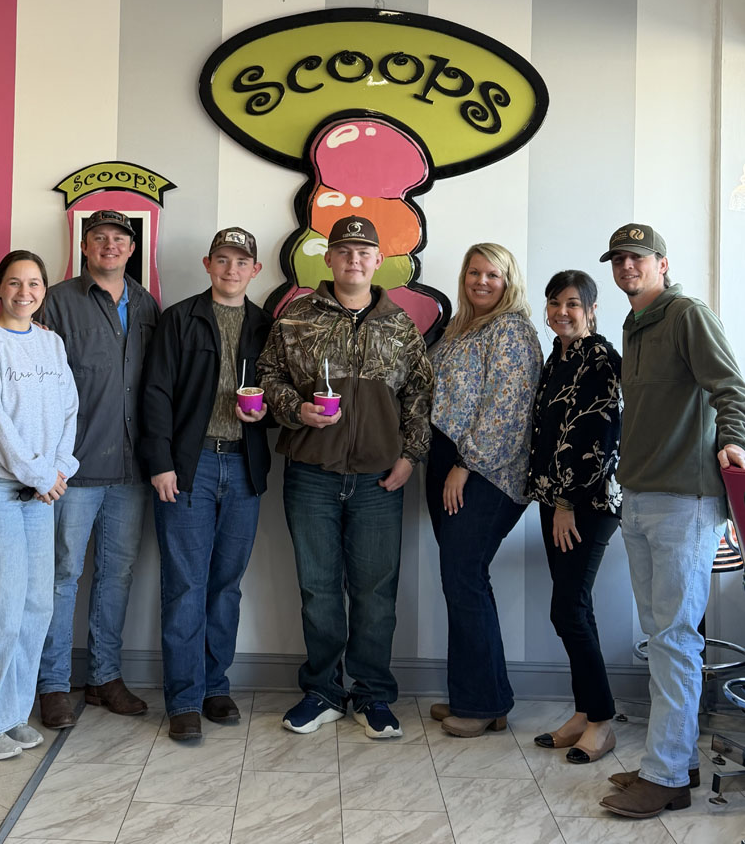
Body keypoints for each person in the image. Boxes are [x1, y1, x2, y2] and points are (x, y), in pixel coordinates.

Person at [258, 216, 432, 740]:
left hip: (379, 479)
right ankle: (323, 692)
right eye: (344, 251)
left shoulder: (400, 325)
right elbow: (267, 375)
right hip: (311, 474)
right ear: (329, 258)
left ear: (378, 261)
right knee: (318, 589)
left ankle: (373, 693)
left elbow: (419, 393)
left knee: (376, 592)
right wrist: (296, 409)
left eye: (364, 252)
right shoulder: (296, 317)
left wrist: (411, 456)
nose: (354, 259)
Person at [597, 223, 745, 818]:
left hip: (686, 499)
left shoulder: (687, 314)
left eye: (638, 258)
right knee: (663, 639)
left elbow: (730, 387)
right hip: (639, 496)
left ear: (662, 262)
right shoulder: (636, 323)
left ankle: (665, 778)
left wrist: (734, 441)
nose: (627, 267)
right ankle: (675, 761)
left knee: (676, 640)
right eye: (618, 260)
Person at [142, 227, 272, 743]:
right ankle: (184, 698)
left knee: (226, 586)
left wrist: (266, 412)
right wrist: (161, 462)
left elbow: (281, 391)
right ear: (207, 264)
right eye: (222, 259)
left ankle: (216, 685)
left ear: (255, 270)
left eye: (241, 262)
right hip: (187, 468)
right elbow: (155, 393)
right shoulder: (180, 318)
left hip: (244, 468)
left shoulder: (266, 325)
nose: (231, 269)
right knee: (185, 586)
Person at [0, 251, 79, 760]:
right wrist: (39, 474)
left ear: (44, 290)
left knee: (35, 606)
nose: (24, 292)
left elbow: (69, 410)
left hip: (41, 491)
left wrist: (60, 468)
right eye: (14, 283)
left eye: (34, 284)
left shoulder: (51, 343)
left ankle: (11, 714)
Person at [36, 209, 160, 729]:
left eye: (119, 238)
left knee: (117, 575)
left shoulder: (148, 305)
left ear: (132, 248)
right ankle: (52, 684)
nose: (110, 245)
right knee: (62, 574)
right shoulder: (56, 300)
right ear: (84, 246)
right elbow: (37, 384)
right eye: (99, 237)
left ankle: (105, 676)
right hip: (74, 468)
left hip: (132, 469)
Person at [427, 243, 541, 738]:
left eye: (492, 274)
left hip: (487, 473)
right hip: (448, 462)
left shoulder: (512, 330)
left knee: (464, 576)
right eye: (474, 272)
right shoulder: (461, 327)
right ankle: (481, 697)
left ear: (508, 280)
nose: (481, 281)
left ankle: (480, 704)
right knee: (464, 579)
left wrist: (465, 465)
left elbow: (507, 409)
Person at [527, 270, 622, 763]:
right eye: (554, 303)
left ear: (591, 309)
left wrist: (565, 503)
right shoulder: (558, 356)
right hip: (556, 499)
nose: (561, 312)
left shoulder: (600, 357)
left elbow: (598, 436)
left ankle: (602, 721)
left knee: (567, 609)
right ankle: (585, 713)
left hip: (588, 502)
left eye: (572, 304)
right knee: (574, 608)